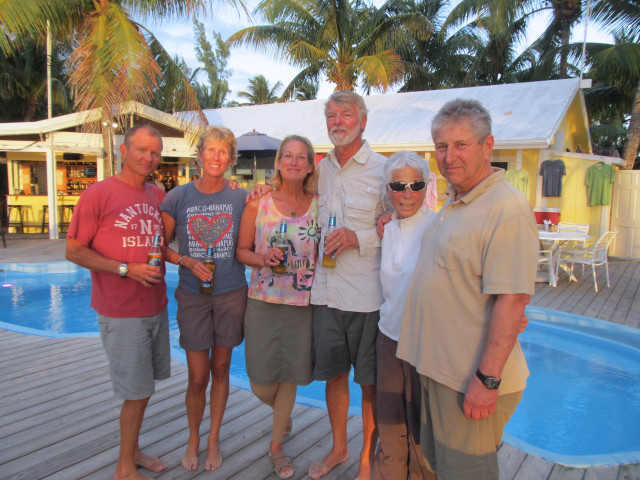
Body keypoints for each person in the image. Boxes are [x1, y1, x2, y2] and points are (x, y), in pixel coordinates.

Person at [396, 99, 539, 479]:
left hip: (468, 379)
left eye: (461, 145)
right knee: (442, 467)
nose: (449, 156)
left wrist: (487, 381)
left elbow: (513, 299)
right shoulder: (456, 200)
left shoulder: (506, 209)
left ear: (487, 146)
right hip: (438, 372)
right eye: (441, 146)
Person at [66, 125, 169, 480]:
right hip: (121, 310)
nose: (148, 158)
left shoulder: (158, 195)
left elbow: (164, 244)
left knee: (143, 389)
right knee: (136, 390)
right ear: (124, 151)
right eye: (141, 150)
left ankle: (134, 450)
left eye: (154, 152)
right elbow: (74, 250)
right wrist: (125, 268)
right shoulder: (99, 194)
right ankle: (124, 468)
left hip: (155, 305)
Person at [160, 125, 248, 472]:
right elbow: (160, 248)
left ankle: (213, 440)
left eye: (223, 151)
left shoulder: (241, 198)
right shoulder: (177, 197)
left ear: (230, 158)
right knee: (198, 376)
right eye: (210, 150)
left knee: (222, 368)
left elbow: (254, 237)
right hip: (193, 295)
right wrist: (186, 260)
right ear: (199, 155)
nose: (216, 157)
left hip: (230, 293)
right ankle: (193, 438)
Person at [309, 90, 387, 480]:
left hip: (366, 296)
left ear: (363, 121)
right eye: (331, 116)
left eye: (346, 114)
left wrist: (360, 238)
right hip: (325, 293)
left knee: (369, 384)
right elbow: (288, 194)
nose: (338, 121)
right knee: (334, 376)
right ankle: (339, 448)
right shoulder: (318, 169)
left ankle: (366, 459)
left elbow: (401, 227)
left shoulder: (384, 170)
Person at [236, 135, 319, 479]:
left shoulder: (320, 203)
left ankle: (276, 445)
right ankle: (282, 417)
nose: (294, 162)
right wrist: (262, 259)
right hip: (263, 302)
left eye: (302, 157)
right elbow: (241, 250)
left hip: (303, 305)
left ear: (311, 165)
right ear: (279, 162)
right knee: (260, 380)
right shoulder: (259, 202)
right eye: (288, 155)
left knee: (290, 376)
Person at [374, 151, 436, 480]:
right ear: (388, 189)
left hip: (422, 346)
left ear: (427, 187)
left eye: (416, 184)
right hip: (388, 340)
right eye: (399, 185)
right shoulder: (387, 227)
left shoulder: (439, 228)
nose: (407, 193)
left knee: (422, 437)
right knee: (389, 431)